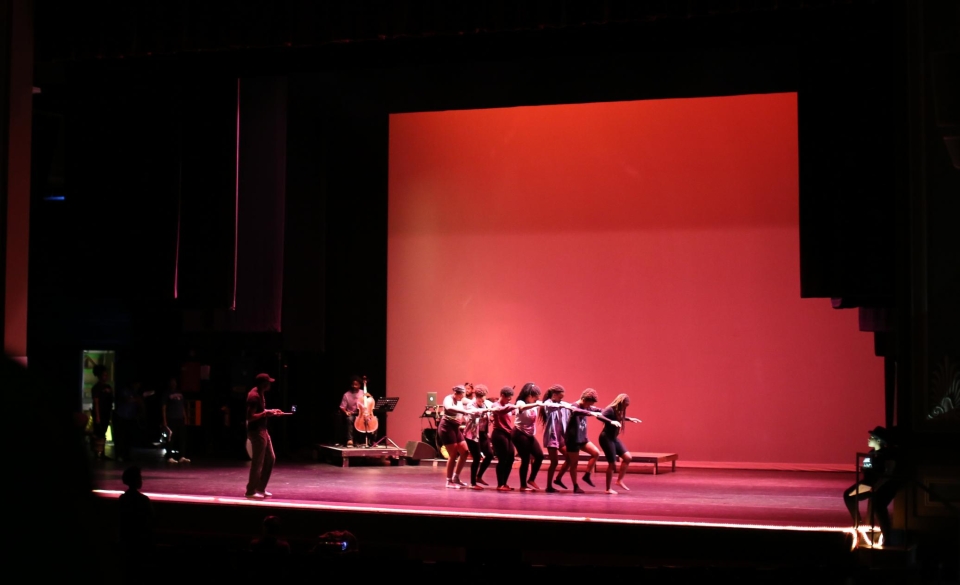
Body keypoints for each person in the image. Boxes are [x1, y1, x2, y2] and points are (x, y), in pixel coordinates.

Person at [843, 426, 903, 546]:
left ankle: (887, 538)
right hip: (869, 484)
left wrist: (877, 485)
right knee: (848, 495)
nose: (868, 439)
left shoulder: (888, 454)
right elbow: (867, 468)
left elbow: (888, 472)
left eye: (872, 437)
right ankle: (858, 523)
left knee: (878, 507)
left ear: (879, 441)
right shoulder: (870, 453)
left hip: (884, 486)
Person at [564, 388, 619, 493]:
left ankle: (587, 475)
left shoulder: (588, 406)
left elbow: (600, 410)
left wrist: (614, 414)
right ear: (584, 400)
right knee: (574, 464)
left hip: (582, 438)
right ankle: (575, 486)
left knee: (596, 453)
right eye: (589, 404)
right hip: (573, 439)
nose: (589, 406)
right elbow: (576, 411)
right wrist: (590, 413)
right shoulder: (574, 406)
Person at [489, 386, 541, 491]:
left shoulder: (509, 405)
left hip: (508, 434)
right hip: (499, 434)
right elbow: (501, 410)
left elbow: (516, 411)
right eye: (508, 398)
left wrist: (516, 408)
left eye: (510, 398)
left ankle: (504, 483)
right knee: (503, 459)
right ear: (502, 395)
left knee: (511, 459)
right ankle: (500, 484)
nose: (509, 400)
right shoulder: (496, 405)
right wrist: (514, 406)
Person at [246, 373, 282, 499]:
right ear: (263, 384)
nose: (270, 384)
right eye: (268, 382)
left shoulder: (260, 393)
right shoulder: (254, 396)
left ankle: (260, 488)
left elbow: (261, 412)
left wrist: (271, 411)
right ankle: (250, 491)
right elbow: (250, 417)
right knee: (258, 462)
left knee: (270, 458)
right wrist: (265, 414)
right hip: (256, 431)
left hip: (263, 430)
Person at [598, 393, 642, 494]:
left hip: (613, 438)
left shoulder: (618, 411)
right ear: (621, 402)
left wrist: (629, 419)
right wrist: (610, 422)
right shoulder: (610, 408)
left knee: (627, 457)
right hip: (606, 438)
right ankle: (608, 489)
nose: (625, 407)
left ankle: (619, 480)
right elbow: (600, 416)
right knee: (612, 464)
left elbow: (619, 417)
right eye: (625, 405)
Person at [118, 466, 156, 567]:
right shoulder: (143, 500)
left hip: (127, 540)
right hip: (141, 541)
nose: (141, 480)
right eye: (139, 477)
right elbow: (151, 518)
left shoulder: (122, 499)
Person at [539, 384, 573, 492]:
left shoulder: (562, 404)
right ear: (554, 395)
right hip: (552, 436)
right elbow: (551, 406)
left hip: (561, 436)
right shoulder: (548, 403)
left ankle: (558, 478)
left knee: (570, 458)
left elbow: (572, 406)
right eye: (560, 397)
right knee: (554, 462)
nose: (561, 400)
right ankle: (548, 486)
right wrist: (563, 405)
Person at [513, 383, 545, 491]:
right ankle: (523, 485)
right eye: (535, 396)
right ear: (529, 395)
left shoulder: (534, 404)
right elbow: (521, 407)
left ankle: (531, 479)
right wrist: (536, 404)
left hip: (529, 434)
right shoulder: (520, 402)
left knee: (540, 456)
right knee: (525, 459)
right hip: (519, 434)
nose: (537, 399)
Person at [438, 385, 471, 488]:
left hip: (455, 427)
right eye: (461, 395)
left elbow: (471, 402)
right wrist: (464, 411)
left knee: (465, 452)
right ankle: (449, 481)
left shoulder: (461, 400)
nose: (462, 397)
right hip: (446, 427)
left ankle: (456, 477)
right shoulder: (448, 398)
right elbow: (449, 407)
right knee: (453, 454)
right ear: (456, 393)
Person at [462, 384, 494, 489]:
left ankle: (479, 476)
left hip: (483, 433)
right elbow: (474, 413)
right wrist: (485, 411)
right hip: (472, 435)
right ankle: (473, 483)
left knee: (489, 455)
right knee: (476, 458)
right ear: (476, 396)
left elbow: (496, 407)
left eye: (483, 396)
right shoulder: (471, 404)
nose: (481, 399)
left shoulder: (487, 403)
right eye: (479, 396)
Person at [162, 377, 190, 463]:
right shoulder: (166, 393)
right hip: (171, 418)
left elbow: (182, 406)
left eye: (175, 382)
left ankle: (182, 456)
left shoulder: (180, 393)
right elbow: (163, 407)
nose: (173, 384)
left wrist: (185, 417)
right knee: (170, 438)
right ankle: (169, 456)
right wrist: (164, 420)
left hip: (180, 418)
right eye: (172, 382)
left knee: (182, 437)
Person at [90, 365, 114, 460]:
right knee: (98, 432)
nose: (106, 377)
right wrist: (98, 416)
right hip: (100, 413)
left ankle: (102, 453)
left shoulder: (108, 387)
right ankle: (97, 453)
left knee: (103, 432)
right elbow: (96, 402)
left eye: (106, 375)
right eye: (104, 375)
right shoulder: (96, 388)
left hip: (106, 412)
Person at [339, 376, 364, 446]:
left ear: (360, 385)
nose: (354, 386)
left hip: (362, 414)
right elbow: (342, 407)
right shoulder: (346, 395)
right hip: (353, 414)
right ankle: (350, 439)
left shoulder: (363, 392)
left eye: (356, 385)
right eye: (353, 384)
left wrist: (370, 397)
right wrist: (346, 412)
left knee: (374, 420)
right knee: (349, 419)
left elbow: (369, 401)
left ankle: (372, 440)